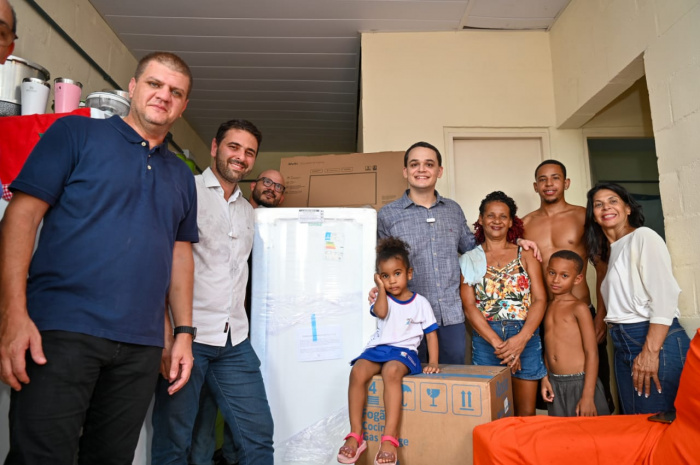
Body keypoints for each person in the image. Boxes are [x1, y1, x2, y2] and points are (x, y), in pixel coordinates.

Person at [0, 51, 197, 464]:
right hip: (61, 333)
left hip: (140, 348)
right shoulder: (75, 134)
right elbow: (21, 217)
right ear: (133, 86)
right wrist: (13, 316)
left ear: (183, 106)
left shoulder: (181, 175)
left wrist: (182, 332)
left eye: (175, 92)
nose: (163, 96)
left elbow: (179, 256)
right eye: (154, 85)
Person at [151, 119, 274, 465]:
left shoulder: (249, 212)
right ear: (215, 147)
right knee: (175, 442)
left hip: (236, 342)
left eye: (250, 152)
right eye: (234, 147)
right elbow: (162, 264)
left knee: (258, 438)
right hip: (187, 337)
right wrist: (165, 335)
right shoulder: (184, 189)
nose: (241, 157)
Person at [375, 142, 538, 365]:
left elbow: (475, 247)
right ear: (406, 171)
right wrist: (375, 289)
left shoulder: (453, 209)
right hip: (406, 316)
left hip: (450, 317)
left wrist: (515, 240)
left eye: (429, 164)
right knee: (409, 384)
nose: (421, 169)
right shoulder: (387, 215)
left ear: (439, 171)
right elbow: (379, 263)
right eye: (415, 164)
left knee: (452, 384)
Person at [190, 169, 286, 465]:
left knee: (250, 423)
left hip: (242, 334)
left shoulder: (273, 228)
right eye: (267, 182)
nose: (272, 189)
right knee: (200, 416)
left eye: (279, 187)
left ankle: (230, 458)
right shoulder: (206, 201)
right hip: (200, 330)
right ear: (254, 185)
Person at [584, 182, 691, 415]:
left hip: (652, 339)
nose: (606, 208)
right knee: (636, 423)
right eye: (598, 205)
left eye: (613, 201)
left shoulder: (643, 237)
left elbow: (664, 296)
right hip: (624, 341)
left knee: (654, 426)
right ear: (593, 215)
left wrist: (650, 352)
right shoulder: (611, 251)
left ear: (628, 208)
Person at [522, 159, 615, 412]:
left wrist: (601, 317)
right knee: (552, 390)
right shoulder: (525, 223)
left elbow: (602, 268)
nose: (549, 184)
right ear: (535, 186)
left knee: (597, 389)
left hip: (581, 311)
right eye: (543, 179)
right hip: (545, 315)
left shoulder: (582, 217)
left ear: (566, 183)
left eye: (555, 178)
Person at [339, 237, 439, 465]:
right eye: (385, 276)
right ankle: (355, 435)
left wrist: (433, 360)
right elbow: (382, 313)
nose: (392, 281)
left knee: (391, 372)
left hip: (404, 352)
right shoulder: (381, 298)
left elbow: (431, 333)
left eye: (397, 273)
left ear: (409, 273)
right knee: (357, 371)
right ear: (379, 278)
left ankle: (389, 439)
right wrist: (380, 289)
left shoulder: (420, 302)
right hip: (379, 348)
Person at [460, 191, 547, 416]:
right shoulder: (469, 258)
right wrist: (499, 344)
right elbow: (469, 305)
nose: (496, 221)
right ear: (480, 219)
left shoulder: (525, 253)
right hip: (487, 339)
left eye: (503, 216)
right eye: (490, 215)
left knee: (525, 415)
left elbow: (540, 299)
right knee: (493, 414)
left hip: (525, 335)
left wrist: (520, 340)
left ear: (510, 221)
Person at [541, 250, 610, 417]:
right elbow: (548, 347)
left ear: (577, 279)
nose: (556, 280)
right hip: (555, 383)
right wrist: (545, 378)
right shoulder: (546, 307)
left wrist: (587, 396)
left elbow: (592, 352)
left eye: (564, 276)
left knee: (590, 437)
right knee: (564, 438)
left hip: (581, 383)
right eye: (552, 273)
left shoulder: (578, 308)